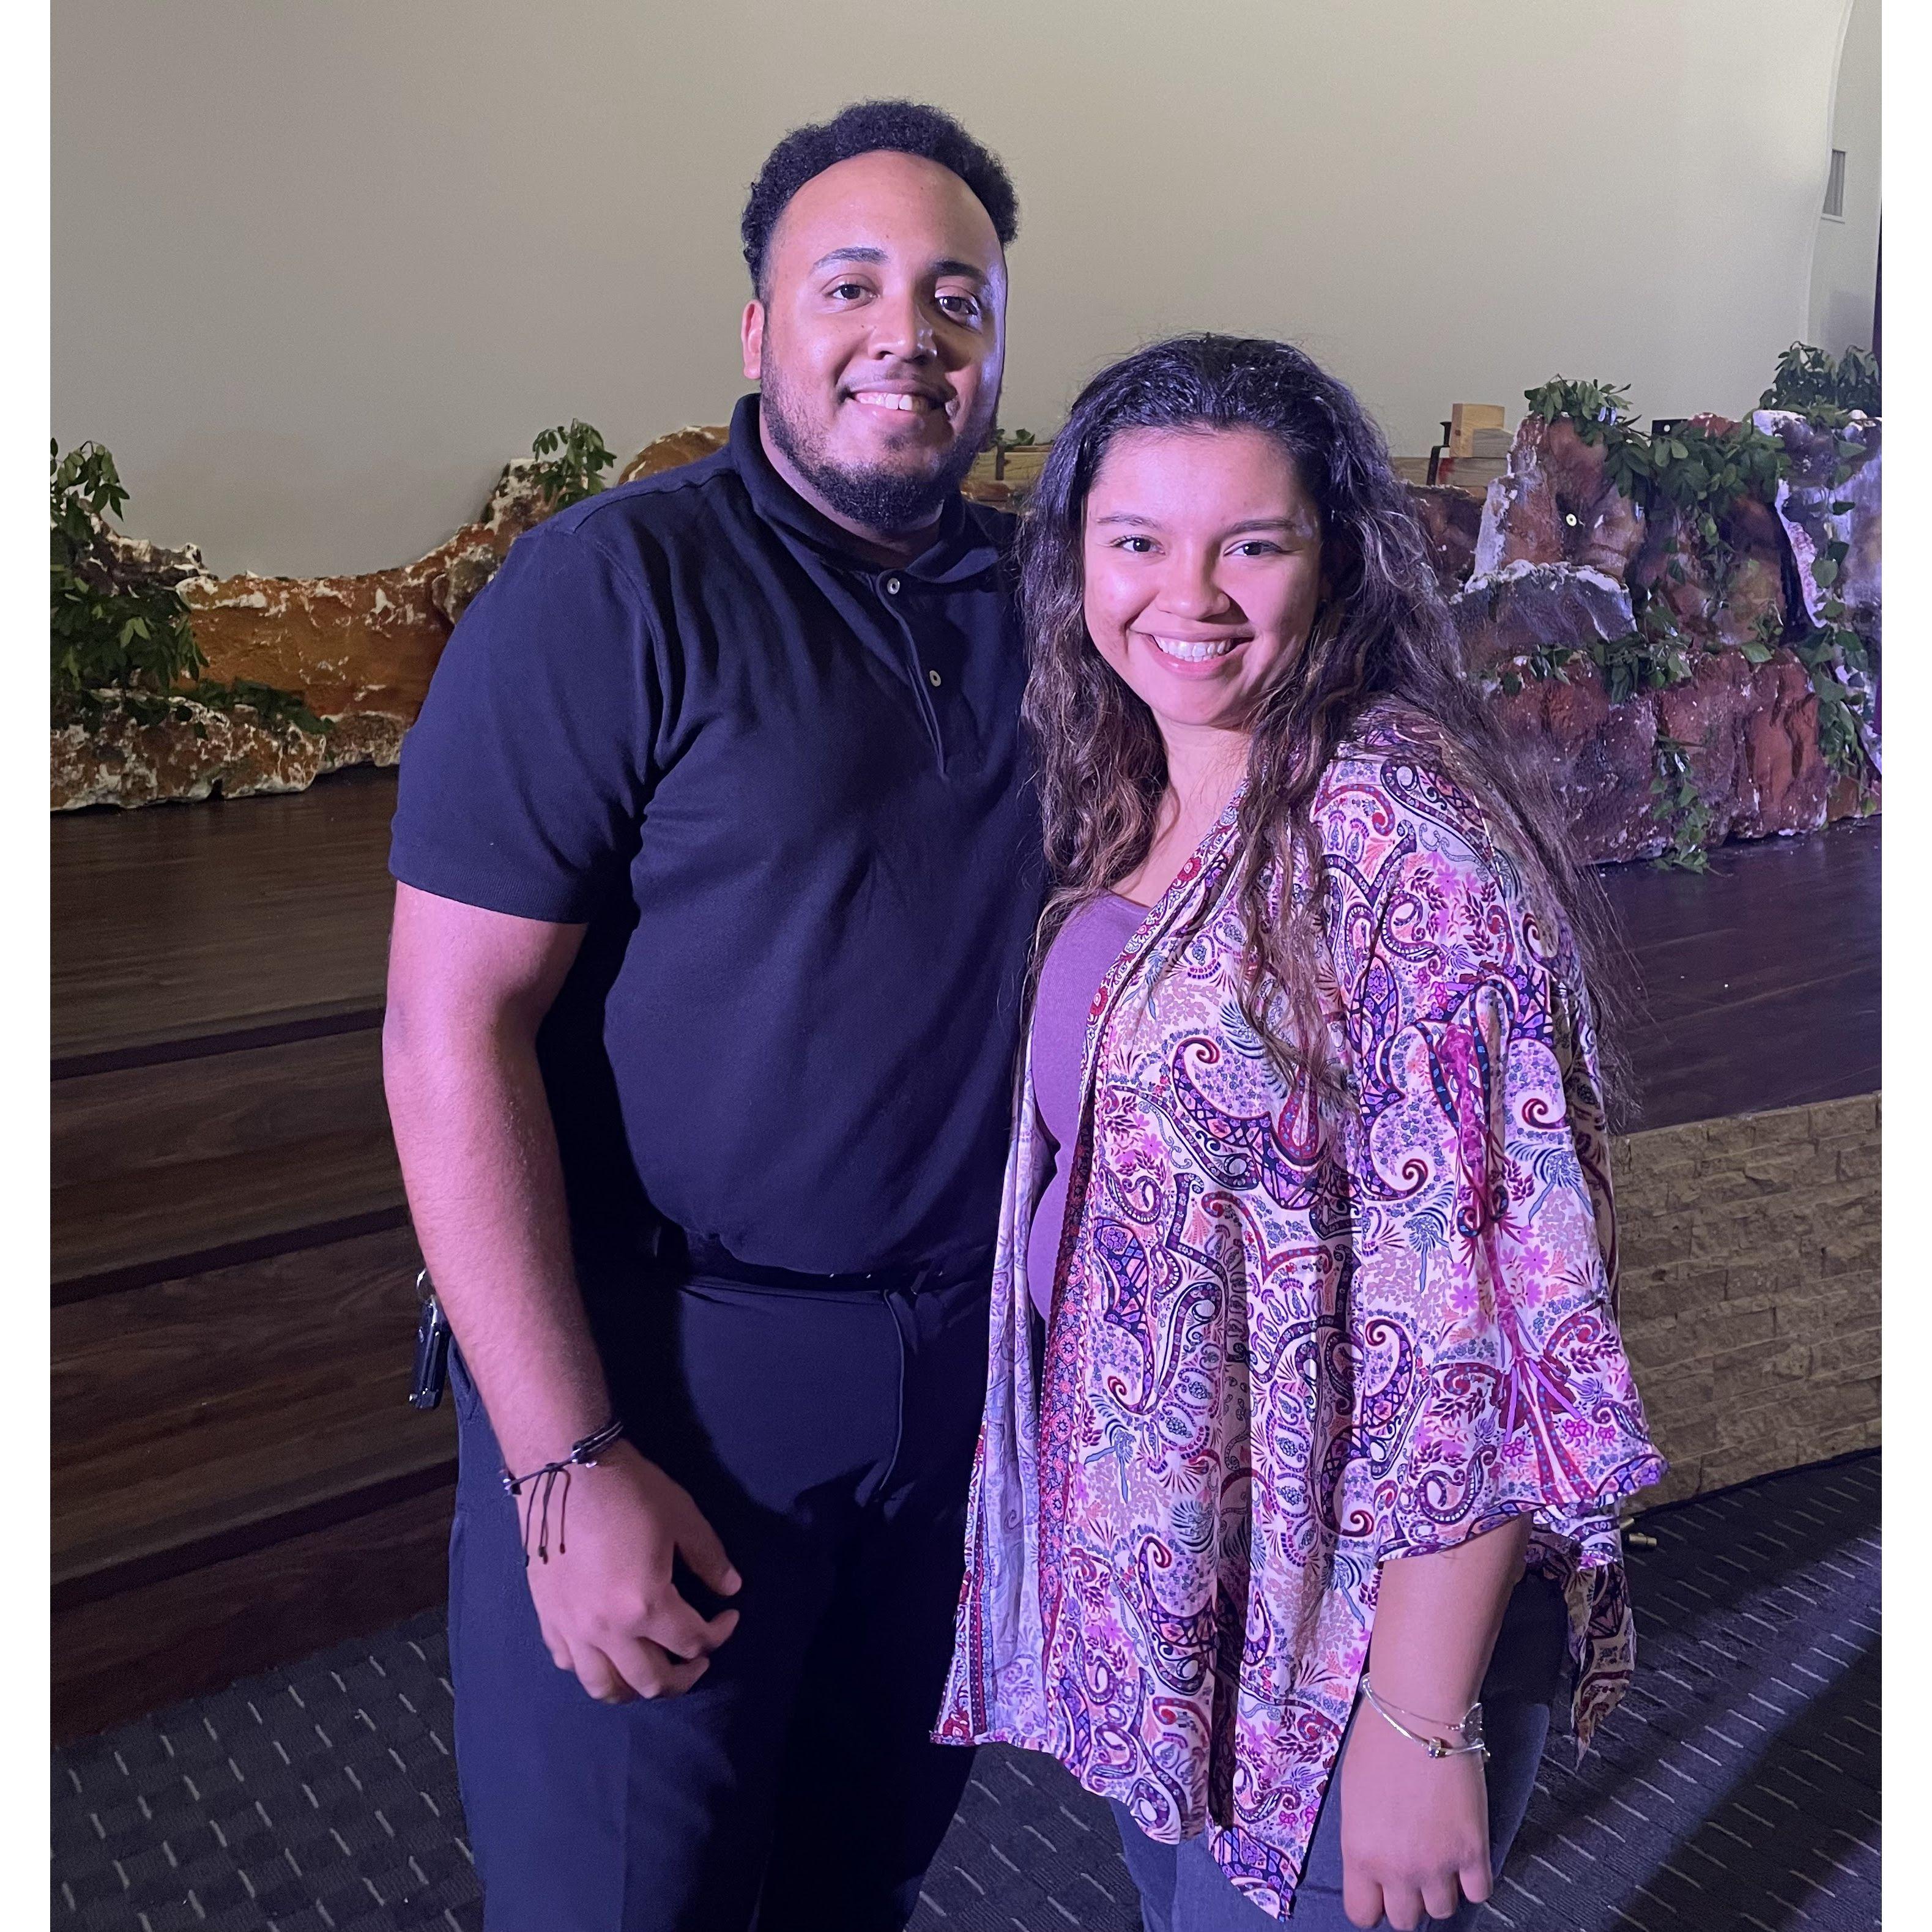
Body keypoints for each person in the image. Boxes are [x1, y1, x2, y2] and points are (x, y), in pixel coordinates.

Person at [383, 101, 1038, 1932]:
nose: (907, 332)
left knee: (860, 1883)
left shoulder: (1053, 603)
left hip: (960, 1382)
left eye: (958, 296)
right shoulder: (614, 588)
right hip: (673, 1378)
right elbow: (448, 1032)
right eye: (851, 286)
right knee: (630, 1900)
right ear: (758, 330)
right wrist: (563, 1458)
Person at [935, 335, 1666, 1931]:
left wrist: (1419, 1719)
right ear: (1076, 559)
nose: (1187, 596)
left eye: (1251, 546)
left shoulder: (1410, 851)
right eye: (1137, 541)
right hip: (1179, 1605)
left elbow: (1492, 1320)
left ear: (1337, 560)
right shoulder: (1138, 780)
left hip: (1345, 1657)